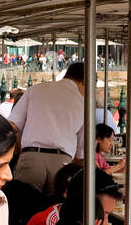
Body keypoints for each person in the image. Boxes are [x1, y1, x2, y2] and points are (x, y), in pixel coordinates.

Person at [10, 62, 86, 200]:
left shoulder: (36, 89)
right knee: (53, 213)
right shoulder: (83, 103)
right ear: (84, 81)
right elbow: (81, 154)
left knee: (21, 209)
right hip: (62, 163)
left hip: (31, 157)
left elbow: (13, 125)